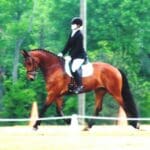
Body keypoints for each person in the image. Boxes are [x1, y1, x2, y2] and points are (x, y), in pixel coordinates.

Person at [58, 17, 87, 94]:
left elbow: (78, 48)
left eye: (73, 24)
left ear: (78, 25)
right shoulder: (72, 33)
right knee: (66, 66)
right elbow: (68, 45)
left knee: (73, 68)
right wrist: (62, 53)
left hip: (79, 56)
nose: (72, 25)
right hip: (73, 55)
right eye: (72, 24)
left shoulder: (80, 35)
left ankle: (80, 86)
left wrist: (71, 56)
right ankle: (72, 85)